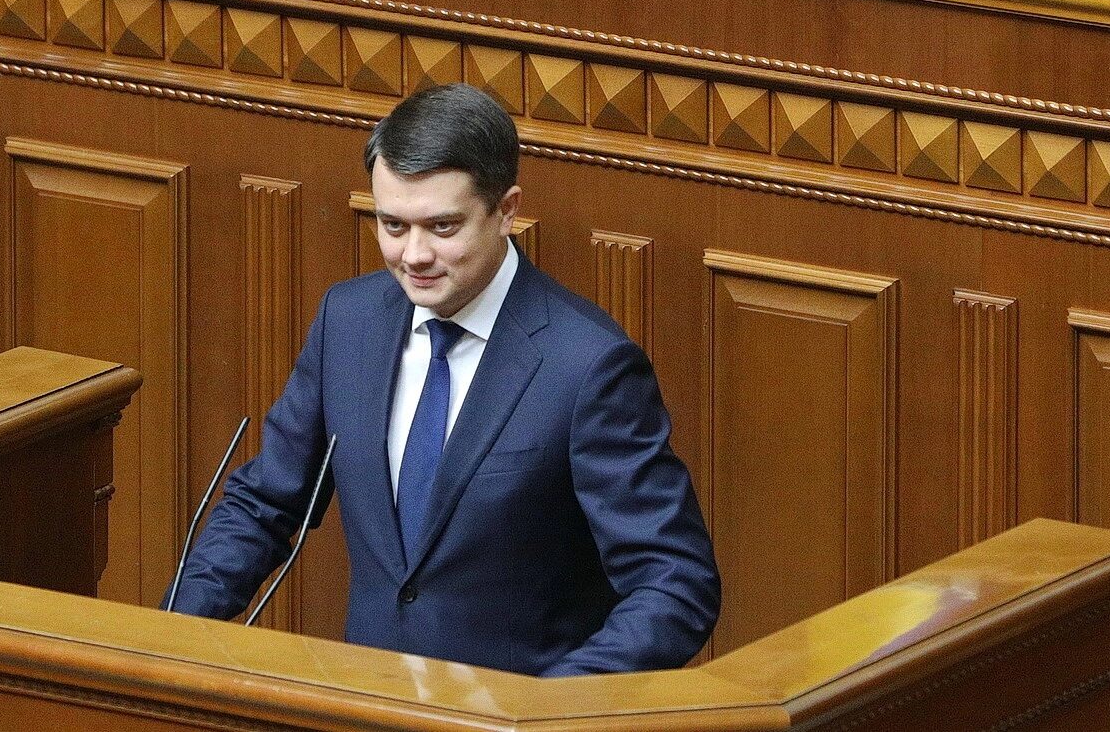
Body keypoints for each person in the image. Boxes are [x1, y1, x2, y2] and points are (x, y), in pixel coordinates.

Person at [168, 84, 719, 676]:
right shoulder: (348, 322)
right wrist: (165, 638)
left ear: (506, 211)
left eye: (443, 227)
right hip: (368, 706)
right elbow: (265, 504)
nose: (414, 255)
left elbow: (674, 583)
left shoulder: (587, 366)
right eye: (392, 225)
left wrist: (547, 708)